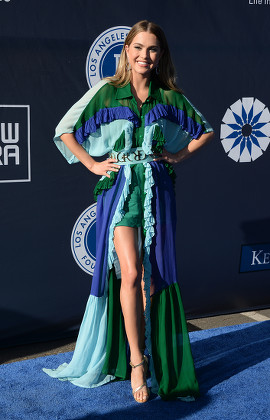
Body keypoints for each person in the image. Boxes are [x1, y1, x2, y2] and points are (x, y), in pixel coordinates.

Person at [43, 20, 214, 403]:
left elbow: (205, 130)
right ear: (126, 51)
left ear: (160, 55)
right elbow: (65, 130)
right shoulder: (107, 90)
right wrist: (91, 164)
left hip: (157, 188)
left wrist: (177, 154)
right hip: (120, 190)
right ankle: (137, 362)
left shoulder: (168, 95)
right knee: (131, 271)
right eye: (138, 48)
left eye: (152, 49)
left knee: (151, 280)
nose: (145, 56)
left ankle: (153, 352)